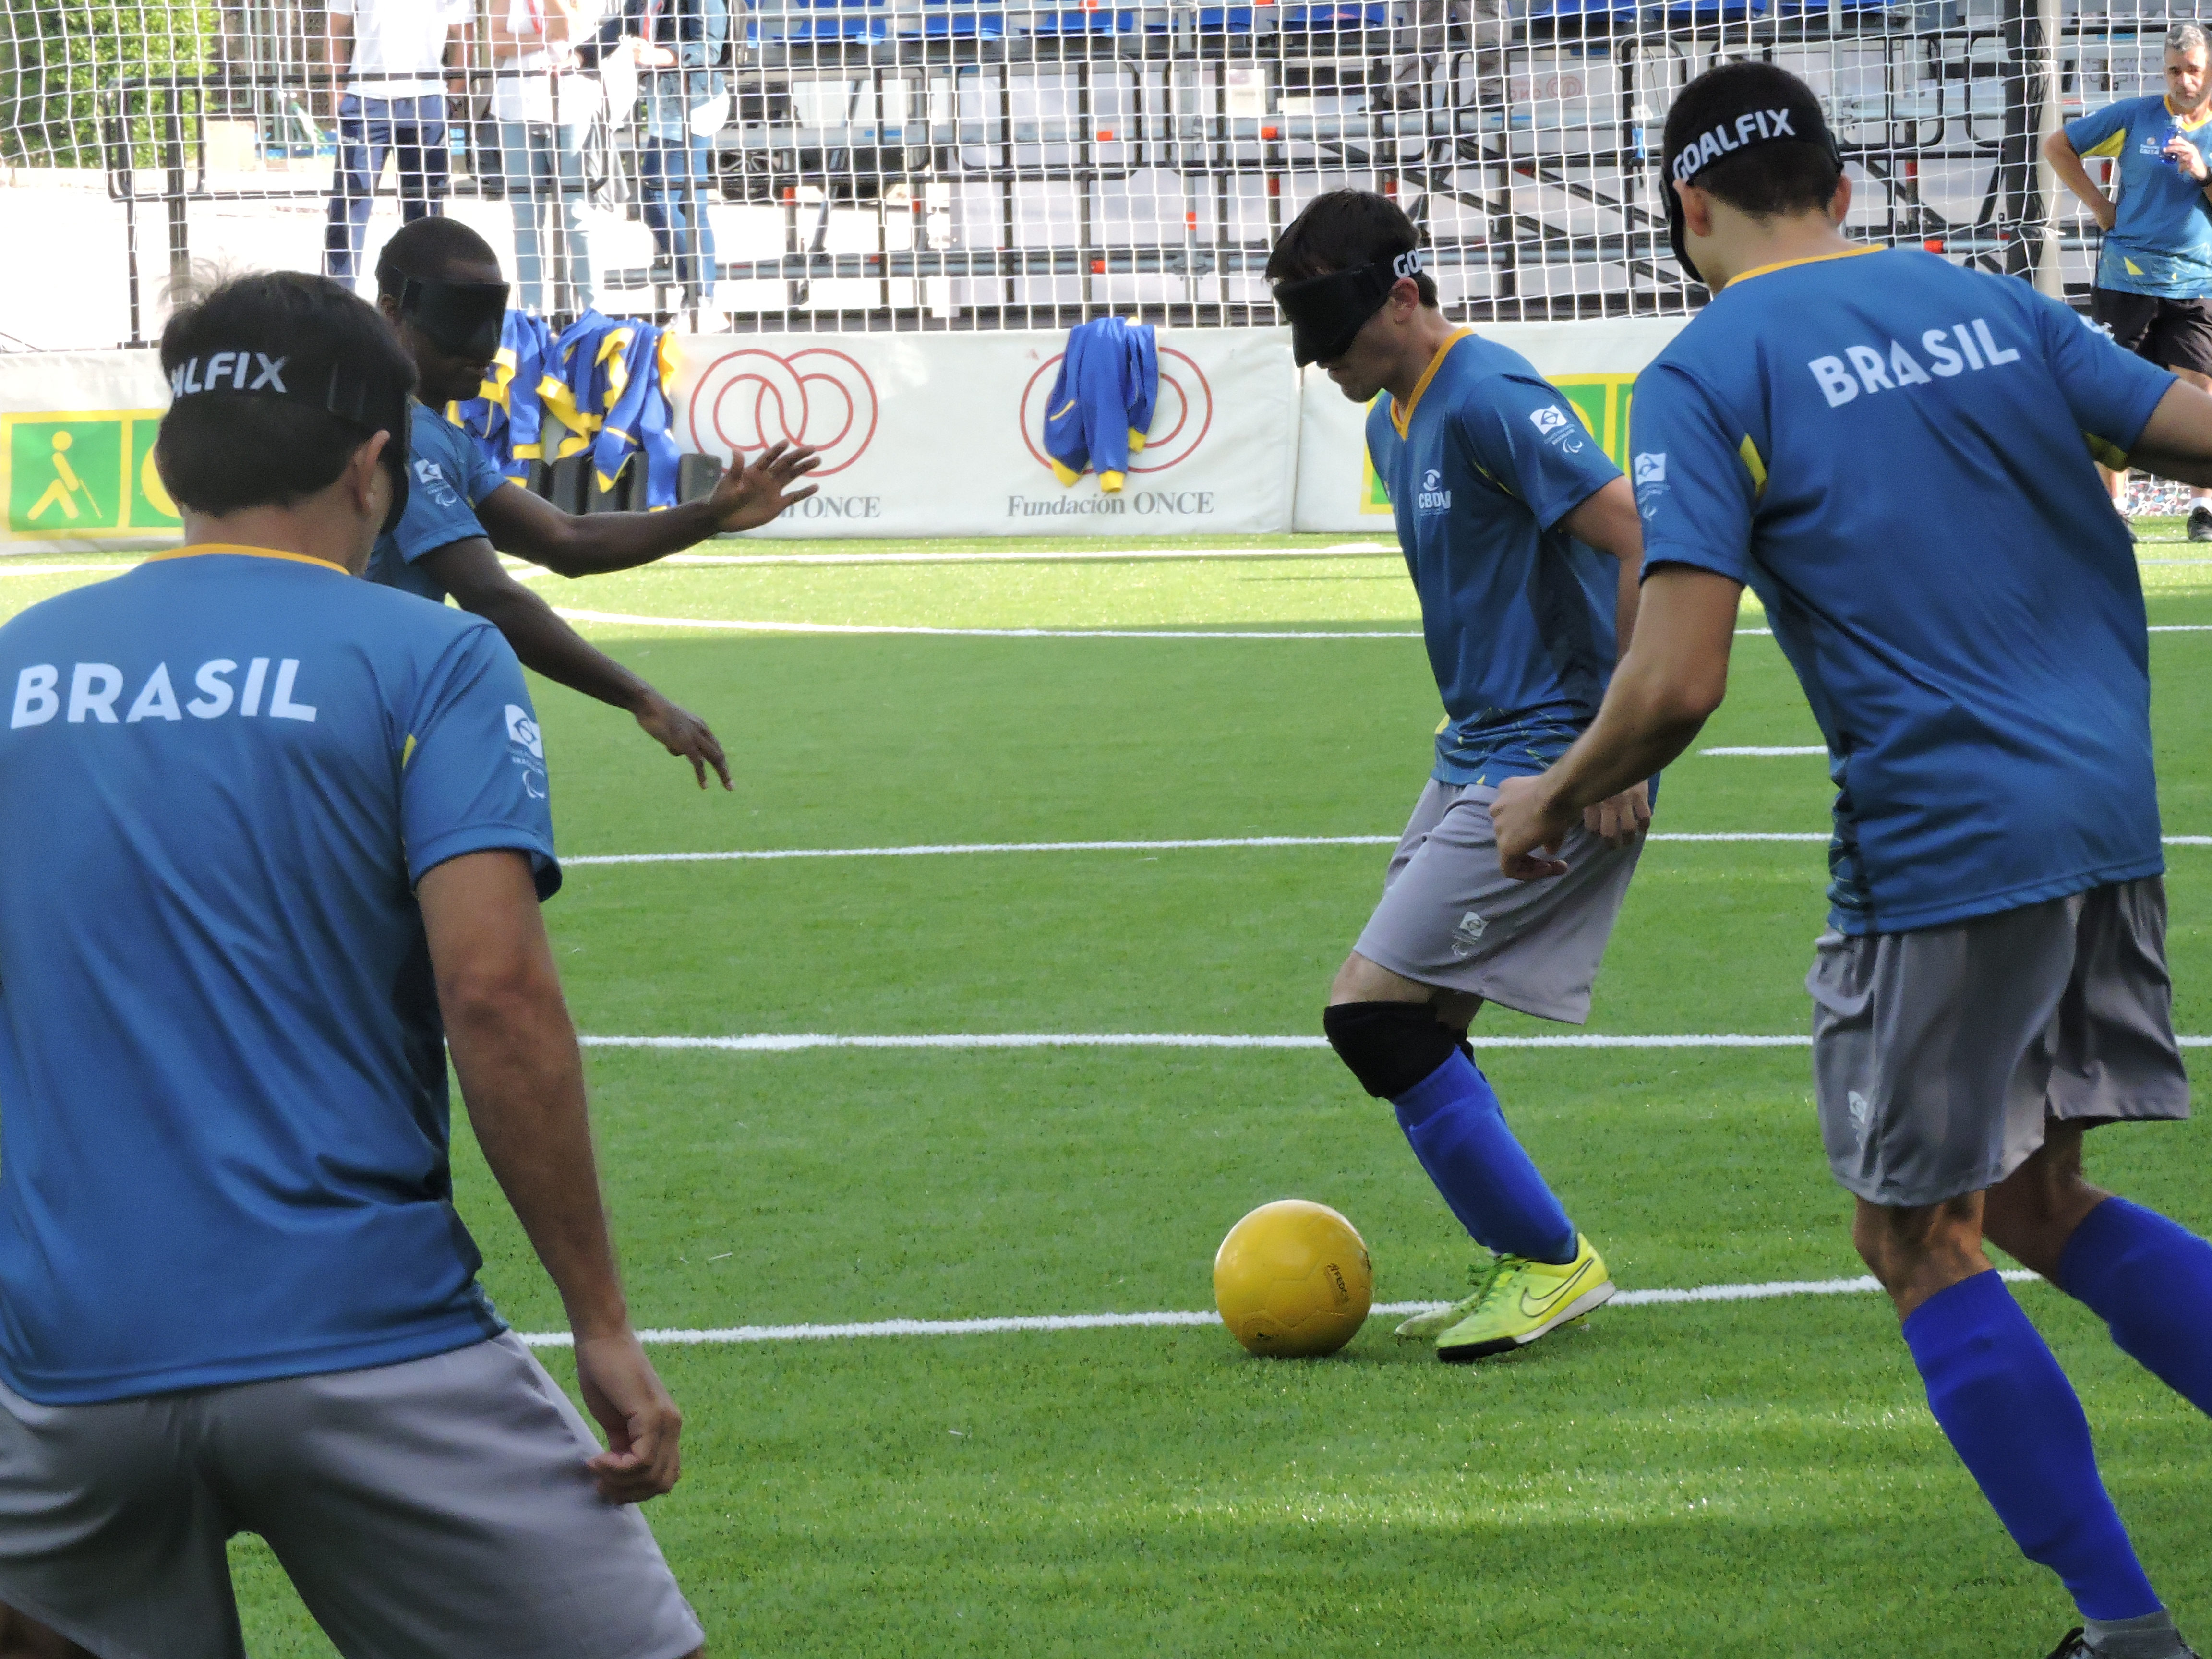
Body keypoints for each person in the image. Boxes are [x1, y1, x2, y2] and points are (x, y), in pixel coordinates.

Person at [1492, 60, 2212, 1659]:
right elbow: (2198, 436)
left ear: (1687, 212)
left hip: (1943, 839)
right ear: (1844, 181)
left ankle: (2122, 1629)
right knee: (2034, 1195)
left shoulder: (1704, 369)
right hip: (2103, 813)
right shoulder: (1995, 308)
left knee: (1911, 1234)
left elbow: (1676, 679)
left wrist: (1552, 788)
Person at [0, 271, 705, 1657]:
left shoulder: (18, 665)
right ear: (378, 464)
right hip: (361, 1338)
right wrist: (602, 1322)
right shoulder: (428, 658)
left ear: (170, 457)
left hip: (62, 1374)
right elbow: (496, 998)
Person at [1267, 189, 1650, 1364]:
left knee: (1365, 1011)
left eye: (1332, 328)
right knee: (1416, 1016)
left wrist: (1620, 747)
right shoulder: (1393, 419)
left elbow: (1639, 530)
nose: (1319, 358)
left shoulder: (1488, 394)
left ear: (1402, 291)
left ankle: (1545, 1256)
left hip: (1556, 760)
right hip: (1476, 751)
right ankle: (1525, 1255)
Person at [373, 215, 818, 787]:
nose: (483, 344)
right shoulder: (404, 434)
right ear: (392, 310)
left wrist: (710, 515)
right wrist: (641, 697)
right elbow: (492, 596)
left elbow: (568, 541)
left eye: (490, 318)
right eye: (458, 316)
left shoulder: (433, 433)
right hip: (351, 709)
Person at [2045, 21, 2212, 539]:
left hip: (2196, 281)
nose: (2184, 81)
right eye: (2174, 71)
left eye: (2194, 71)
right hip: (2127, 278)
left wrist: (2204, 174)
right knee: (2116, 390)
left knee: (2202, 389)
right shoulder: (2135, 116)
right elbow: (2058, 146)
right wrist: (2097, 204)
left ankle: (2204, 506)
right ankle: (2114, 507)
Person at [323, 0, 469, 289]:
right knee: (350, 205)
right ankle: (338, 301)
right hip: (365, 99)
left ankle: (422, 301)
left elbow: (463, 36)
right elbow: (335, 30)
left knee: (426, 209)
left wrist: (453, 97)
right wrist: (337, 93)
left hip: (426, 100)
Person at [489, 0, 608, 315]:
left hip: (569, 104)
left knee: (576, 213)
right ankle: (532, 313)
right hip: (517, 104)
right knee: (525, 216)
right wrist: (545, 40)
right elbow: (497, 42)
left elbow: (572, 31)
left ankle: (594, 312)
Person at [616, 0, 731, 319]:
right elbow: (619, 28)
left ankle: (699, 295)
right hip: (666, 105)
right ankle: (701, 299)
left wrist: (657, 54)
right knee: (690, 204)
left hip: (694, 102)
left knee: (657, 198)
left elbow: (708, 48)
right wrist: (582, 54)